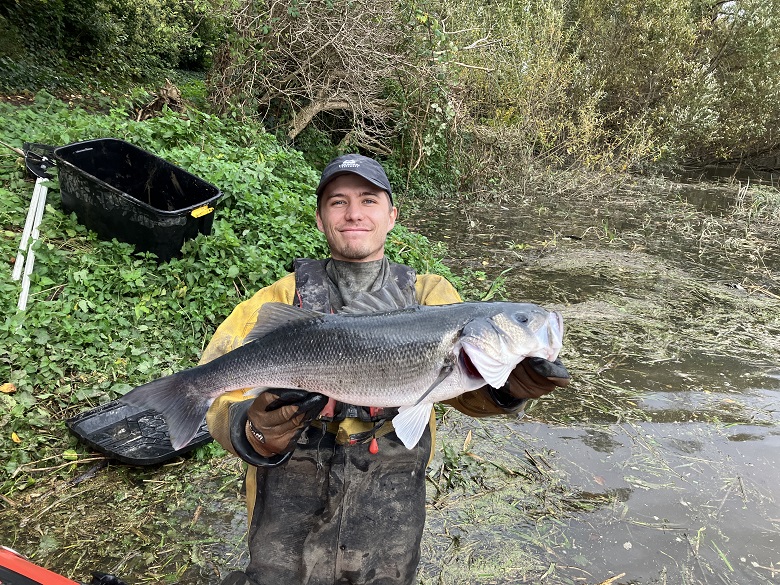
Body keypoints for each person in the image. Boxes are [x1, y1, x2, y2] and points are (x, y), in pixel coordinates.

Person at [202, 154, 570, 585]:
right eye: (338, 202)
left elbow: (463, 393)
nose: (354, 213)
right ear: (320, 218)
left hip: (392, 495)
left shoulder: (432, 295)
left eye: (369, 200)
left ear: (392, 215)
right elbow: (215, 394)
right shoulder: (274, 302)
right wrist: (254, 429)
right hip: (286, 496)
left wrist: (506, 391)